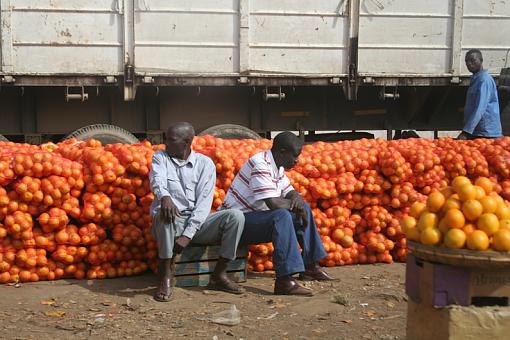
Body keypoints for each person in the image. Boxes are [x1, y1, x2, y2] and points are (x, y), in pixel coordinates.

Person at [222, 131, 335, 296]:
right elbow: (273, 203)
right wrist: (295, 205)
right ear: (281, 152)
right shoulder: (260, 164)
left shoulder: (277, 166)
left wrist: (298, 200)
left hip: (254, 219)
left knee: (303, 207)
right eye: (294, 156)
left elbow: (290, 191)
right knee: (281, 215)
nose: (297, 160)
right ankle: (284, 280)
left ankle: (311, 266)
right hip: (237, 224)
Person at [150, 122, 245, 302]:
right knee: (164, 213)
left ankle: (220, 274)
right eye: (166, 139)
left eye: (171, 140)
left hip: (197, 223)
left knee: (236, 216)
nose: (165, 144)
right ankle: (166, 276)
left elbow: (204, 204)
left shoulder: (205, 164)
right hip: (171, 220)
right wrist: (164, 197)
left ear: (186, 142)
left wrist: (187, 235)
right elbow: (157, 179)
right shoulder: (160, 157)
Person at [458, 49, 502, 140]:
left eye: (473, 60)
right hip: (478, 131)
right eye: (466, 61)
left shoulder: (484, 80)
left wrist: (466, 132)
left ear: (481, 61)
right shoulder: (476, 79)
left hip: (486, 133)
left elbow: (480, 108)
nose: (469, 63)